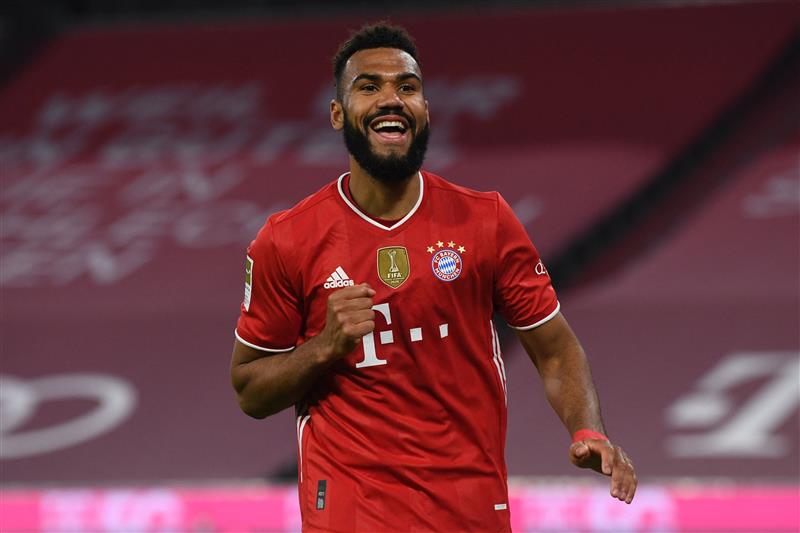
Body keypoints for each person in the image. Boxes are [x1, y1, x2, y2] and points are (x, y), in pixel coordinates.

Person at [231, 22, 637, 532]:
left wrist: (588, 430)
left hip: (467, 509)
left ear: (425, 109)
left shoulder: (484, 219)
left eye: (407, 87)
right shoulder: (287, 239)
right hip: (351, 514)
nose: (391, 99)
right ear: (338, 114)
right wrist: (325, 346)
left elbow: (555, 349)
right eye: (368, 87)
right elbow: (249, 389)